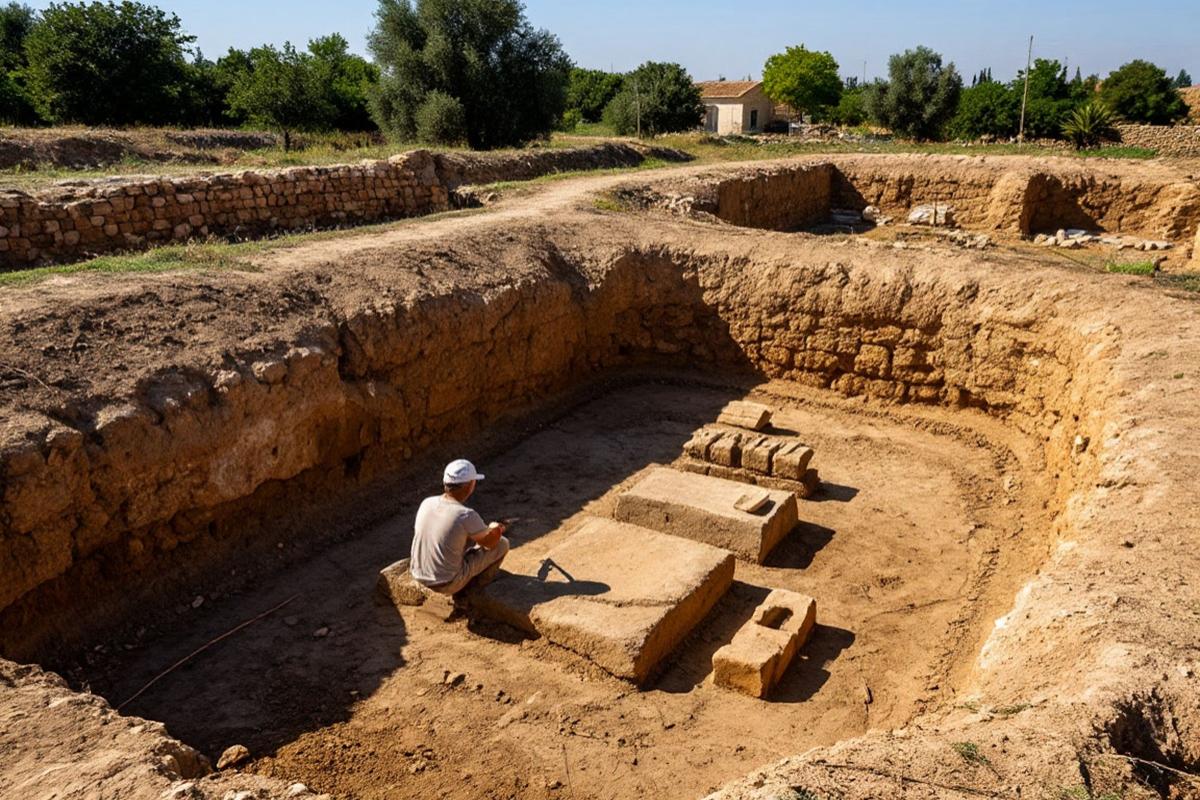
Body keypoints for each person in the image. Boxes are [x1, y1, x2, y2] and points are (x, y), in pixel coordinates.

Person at [410, 459, 510, 596]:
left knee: (464, 537)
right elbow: (490, 543)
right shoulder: (465, 514)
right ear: (469, 485)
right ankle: (474, 592)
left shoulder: (427, 502)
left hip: (418, 574)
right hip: (447, 583)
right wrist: (496, 528)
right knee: (502, 544)